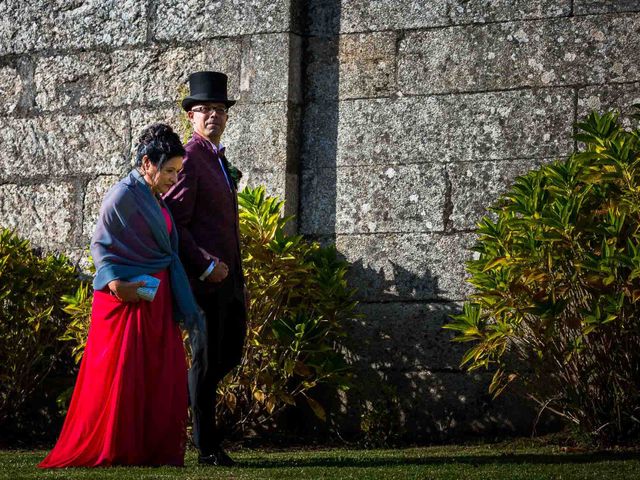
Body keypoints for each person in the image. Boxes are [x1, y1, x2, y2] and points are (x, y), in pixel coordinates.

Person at [39, 123, 204, 468]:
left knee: (156, 374)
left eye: (178, 171)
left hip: (155, 296)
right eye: (170, 170)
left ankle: (149, 448)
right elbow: (101, 245)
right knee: (124, 376)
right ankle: (118, 447)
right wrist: (116, 285)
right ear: (147, 164)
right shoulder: (122, 195)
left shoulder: (155, 197)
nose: (175, 178)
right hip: (127, 298)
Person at [163, 71, 247, 467]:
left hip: (231, 279)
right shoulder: (191, 158)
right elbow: (175, 222)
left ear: (227, 116)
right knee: (207, 359)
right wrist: (204, 264)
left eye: (218, 108)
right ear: (191, 117)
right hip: (205, 281)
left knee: (232, 351)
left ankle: (188, 405)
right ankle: (206, 446)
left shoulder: (218, 158)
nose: (212, 115)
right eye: (203, 109)